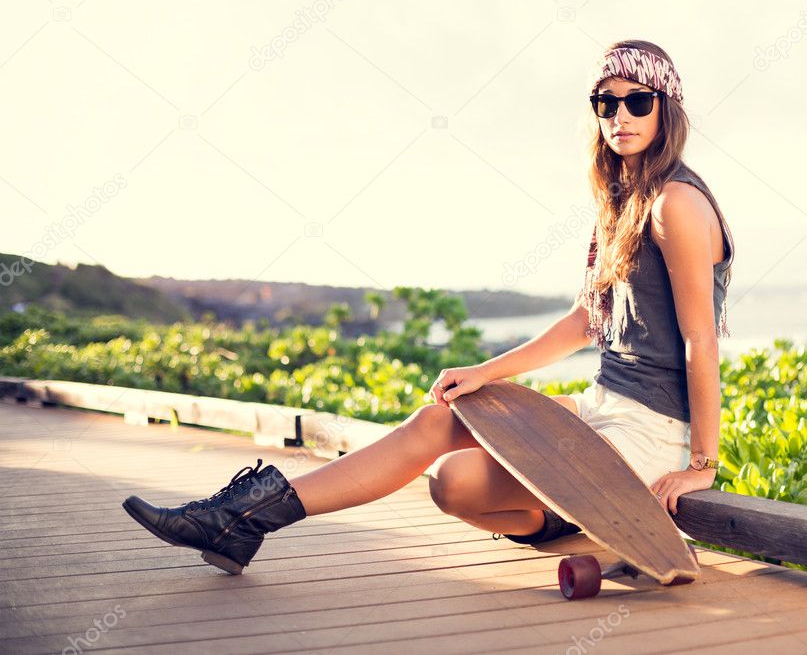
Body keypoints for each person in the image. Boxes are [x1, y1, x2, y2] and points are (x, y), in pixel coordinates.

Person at [121, 38, 735, 575]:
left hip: (650, 433)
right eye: (606, 102)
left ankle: (591, 514)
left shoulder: (674, 204)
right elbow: (584, 322)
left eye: (638, 101)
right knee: (438, 420)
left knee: (455, 480)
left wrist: (702, 464)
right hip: (599, 409)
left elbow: (699, 342)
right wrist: (485, 373)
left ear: (666, 109)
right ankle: (242, 518)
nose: (619, 115)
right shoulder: (623, 200)